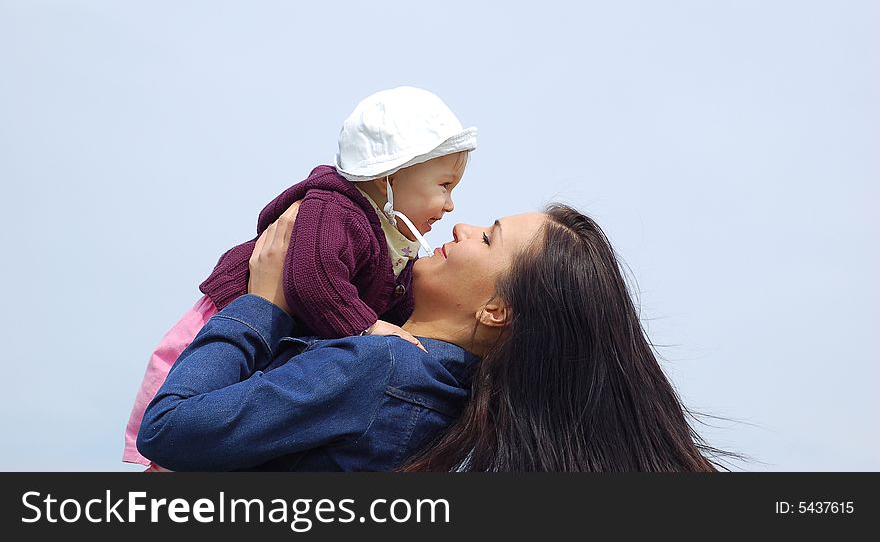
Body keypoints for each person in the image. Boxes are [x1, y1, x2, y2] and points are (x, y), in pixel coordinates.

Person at [137, 201, 720, 472]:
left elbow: (169, 432)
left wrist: (259, 305)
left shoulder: (381, 369)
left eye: (488, 238)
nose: (463, 226)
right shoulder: (444, 400)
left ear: (497, 310)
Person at [124, 86, 476, 468]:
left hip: (264, 335)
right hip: (222, 329)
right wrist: (369, 329)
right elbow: (312, 279)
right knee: (178, 440)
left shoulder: (391, 236)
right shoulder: (335, 209)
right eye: (445, 185)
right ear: (388, 174)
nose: (450, 205)